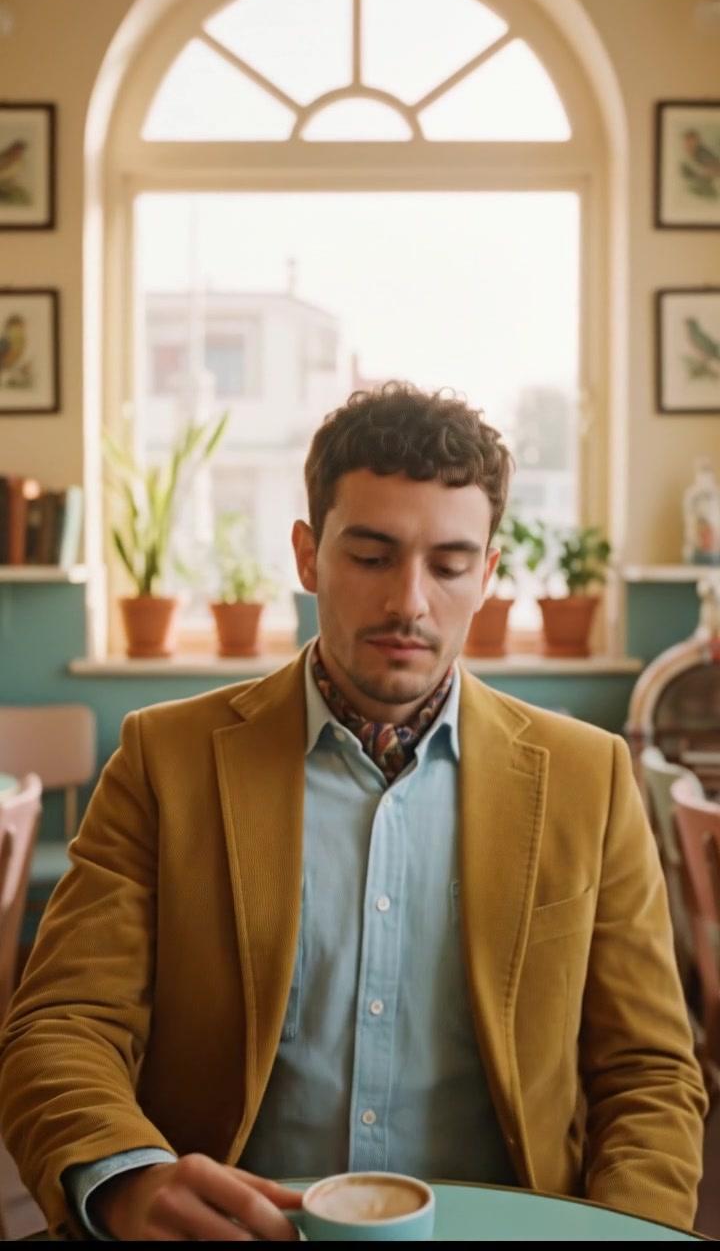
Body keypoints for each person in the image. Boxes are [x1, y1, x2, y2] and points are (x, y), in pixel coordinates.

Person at [0, 382, 707, 1241]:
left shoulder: (587, 779)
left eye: (448, 565)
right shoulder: (165, 761)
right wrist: (126, 1181)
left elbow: (648, 1073)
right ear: (307, 555)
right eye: (371, 557)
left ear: (485, 575)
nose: (409, 601)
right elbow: (64, 1025)